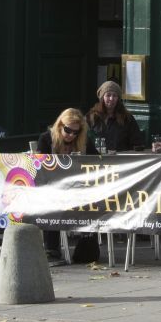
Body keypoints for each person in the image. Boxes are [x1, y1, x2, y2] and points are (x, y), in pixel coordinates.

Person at [35, 109, 98, 262]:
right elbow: (39, 165)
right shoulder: (46, 139)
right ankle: (52, 248)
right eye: (67, 130)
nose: (71, 135)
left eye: (75, 132)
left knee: (95, 199)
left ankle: (86, 248)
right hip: (52, 187)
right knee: (53, 202)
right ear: (60, 126)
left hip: (77, 188)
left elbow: (96, 160)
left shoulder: (83, 141)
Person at [87, 80, 145, 152]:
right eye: (108, 95)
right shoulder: (91, 117)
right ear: (102, 98)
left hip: (120, 159)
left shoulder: (127, 118)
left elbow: (137, 142)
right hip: (97, 160)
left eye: (115, 95)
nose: (111, 99)